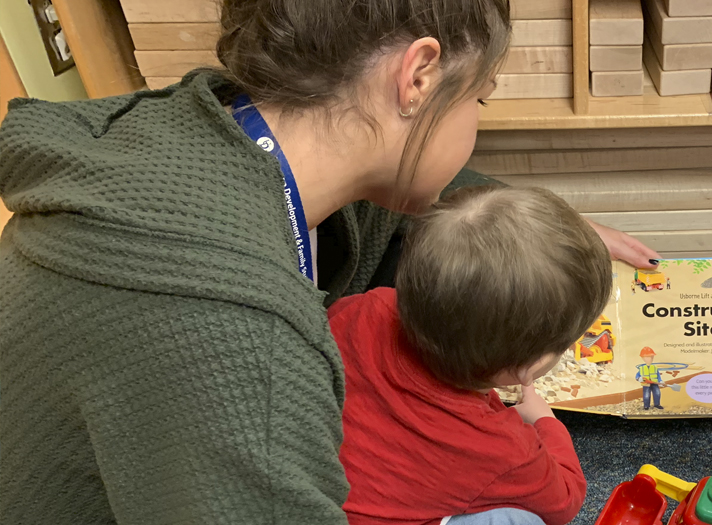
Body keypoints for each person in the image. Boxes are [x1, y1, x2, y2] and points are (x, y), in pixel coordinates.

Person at [0, 0, 661, 521]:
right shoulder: (239, 344)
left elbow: (399, 201)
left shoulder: (230, 128)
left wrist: (529, 230)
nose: (476, 120)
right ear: (418, 77)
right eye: (479, 98)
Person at [328, 185, 607, 525]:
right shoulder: (505, 450)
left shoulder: (366, 306)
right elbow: (565, 500)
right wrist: (545, 422)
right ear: (526, 370)